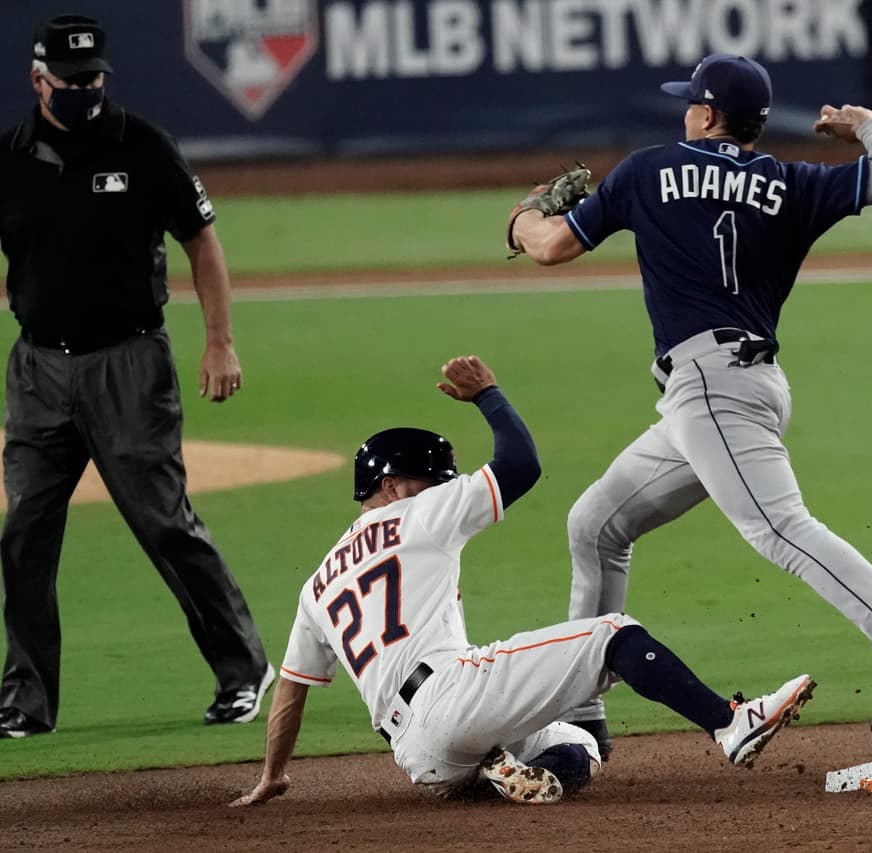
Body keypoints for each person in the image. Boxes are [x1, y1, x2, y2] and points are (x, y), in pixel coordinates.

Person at [508, 53, 872, 758]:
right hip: (737, 388)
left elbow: (548, 248)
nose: (684, 109)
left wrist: (523, 216)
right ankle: (581, 707)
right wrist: (865, 125)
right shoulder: (790, 182)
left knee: (780, 527)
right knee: (594, 525)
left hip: (712, 390)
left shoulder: (647, 170)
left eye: (692, 100)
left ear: (708, 115)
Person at [231, 355, 815, 807]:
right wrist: (488, 393)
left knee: (576, 745)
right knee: (611, 633)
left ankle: (512, 777)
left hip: (420, 760)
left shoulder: (317, 586)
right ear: (392, 486)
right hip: (449, 699)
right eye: (432, 479)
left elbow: (291, 689)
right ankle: (731, 723)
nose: (443, 488)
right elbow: (520, 465)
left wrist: (272, 775)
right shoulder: (418, 515)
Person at [0, 14, 271, 738]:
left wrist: (221, 342)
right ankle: (26, 698)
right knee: (23, 531)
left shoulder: (145, 146)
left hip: (129, 362)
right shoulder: (9, 157)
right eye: (72, 80)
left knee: (163, 522)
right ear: (39, 80)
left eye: (94, 79)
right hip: (36, 370)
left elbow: (201, 242)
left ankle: (243, 668)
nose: (87, 91)